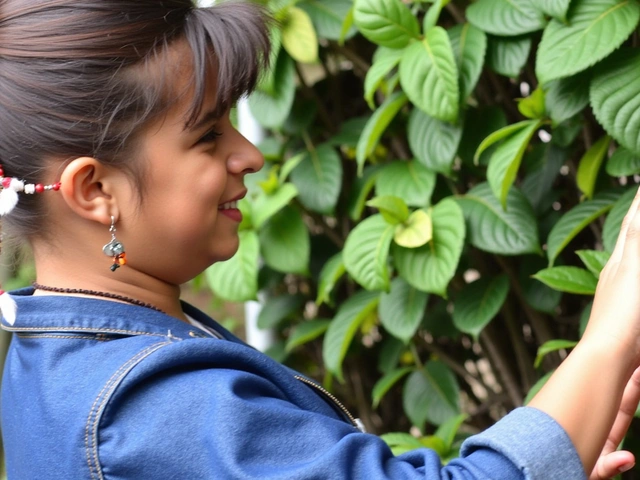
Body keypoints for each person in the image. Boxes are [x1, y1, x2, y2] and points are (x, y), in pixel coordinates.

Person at [0, 1, 639, 478]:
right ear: (94, 191)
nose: (249, 154)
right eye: (207, 136)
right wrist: (610, 336)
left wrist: (559, 448)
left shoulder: (53, 348)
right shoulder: (149, 409)